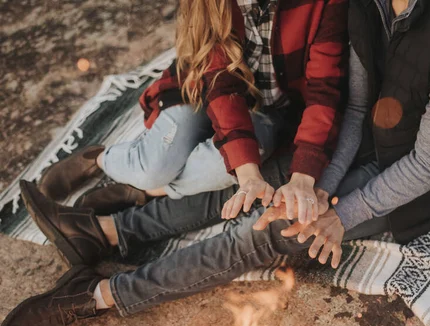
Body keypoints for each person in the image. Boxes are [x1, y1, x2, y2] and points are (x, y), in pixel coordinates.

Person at [1, 0, 430, 326]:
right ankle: (110, 234)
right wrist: (313, 184)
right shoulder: (368, 3)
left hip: (423, 182)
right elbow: (357, 105)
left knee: (267, 234)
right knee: (271, 182)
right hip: (369, 139)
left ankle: (100, 295)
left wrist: (334, 215)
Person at [37, 0, 348, 226]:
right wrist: (248, 171)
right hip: (200, 87)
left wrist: (300, 177)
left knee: (220, 169)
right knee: (153, 166)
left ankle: (146, 191)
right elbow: (220, 85)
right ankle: (100, 160)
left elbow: (324, 90)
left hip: (272, 110)